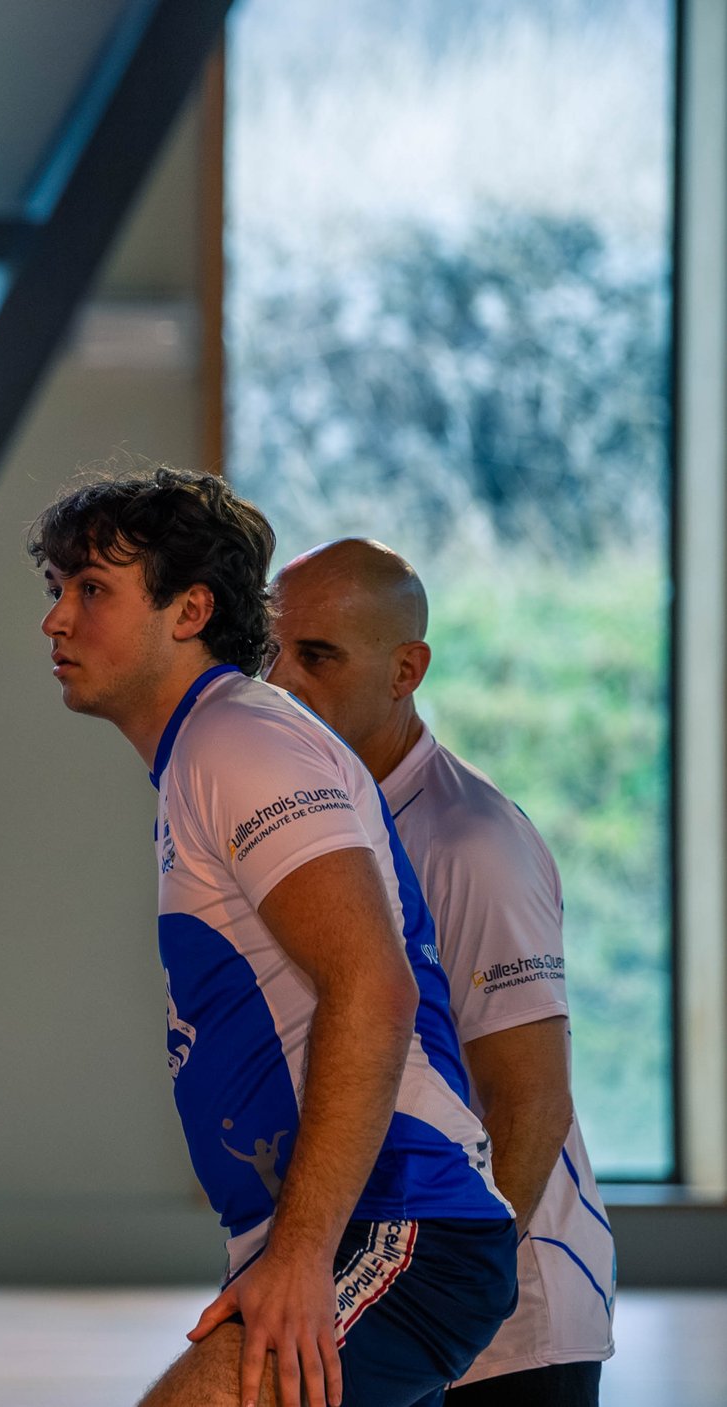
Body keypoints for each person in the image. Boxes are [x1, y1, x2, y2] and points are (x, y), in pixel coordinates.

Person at [29, 465, 516, 1407]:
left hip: (399, 1221)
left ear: (190, 609)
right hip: (340, 1228)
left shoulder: (239, 740)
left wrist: (297, 1255)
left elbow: (373, 985)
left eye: (91, 590)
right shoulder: (205, 750)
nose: (55, 620)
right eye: (57, 589)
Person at [270, 539, 614, 1405]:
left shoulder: (471, 844)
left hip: (503, 1331)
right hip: (389, 1289)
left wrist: (454, 1304)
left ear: (406, 670)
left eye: (317, 656)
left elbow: (530, 1100)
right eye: (270, 651)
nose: (280, 682)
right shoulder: (329, 818)